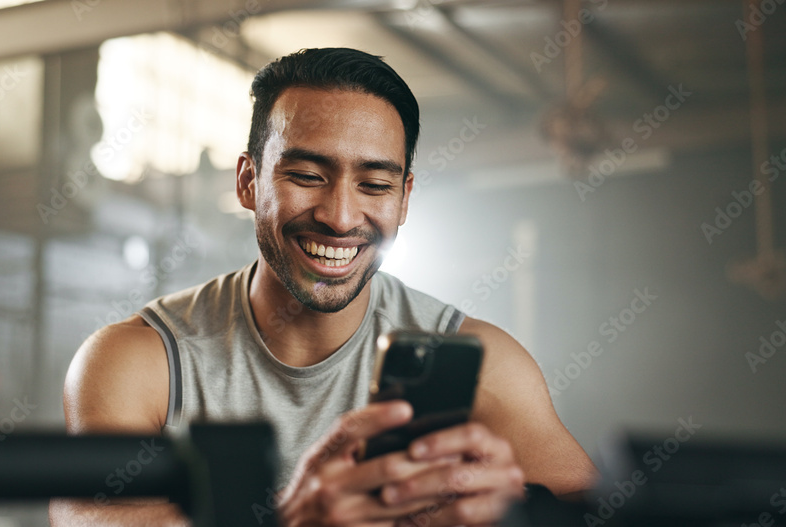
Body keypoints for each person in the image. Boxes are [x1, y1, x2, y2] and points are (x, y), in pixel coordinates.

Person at [50, 47, 596, 527]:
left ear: (404, 199)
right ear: (248, 181)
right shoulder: (140, 360)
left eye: (375, 184)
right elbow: (87, 516)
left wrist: (512, 511)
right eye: (307, 176)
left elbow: (594, 507)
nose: (339, 217)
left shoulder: (484, 361)